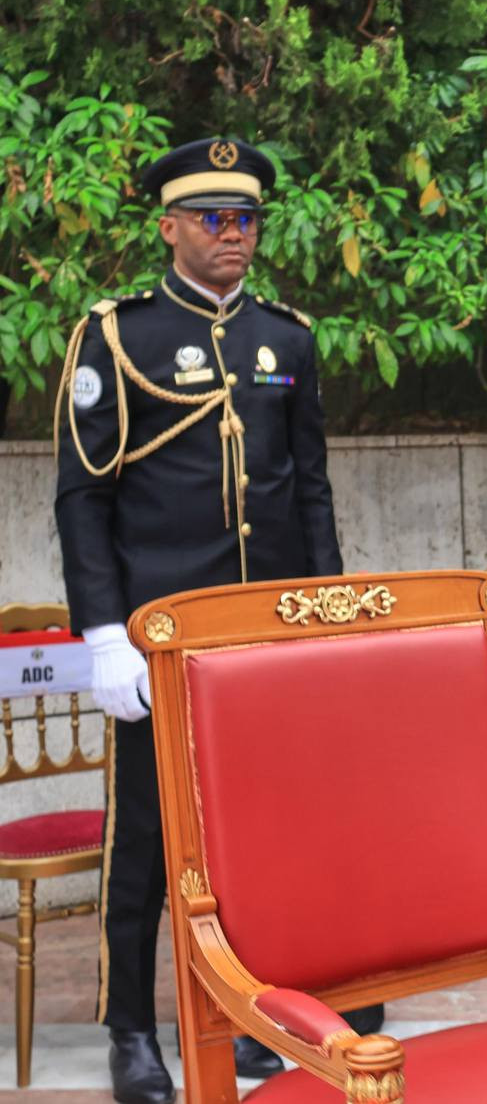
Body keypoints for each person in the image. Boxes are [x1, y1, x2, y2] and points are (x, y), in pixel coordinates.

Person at [53, 138, 339, 1102]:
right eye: (213, 218)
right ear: (168, 226)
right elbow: (82, 498)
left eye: (247, 218)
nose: (233, 235)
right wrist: (103, 633)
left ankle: (255, 1013)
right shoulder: (117, 335)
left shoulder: (287, 338)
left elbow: (310, 494)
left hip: (265, 639)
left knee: (264, 840)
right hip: (160, 642)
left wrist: (323, 619)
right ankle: (134, 1030)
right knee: (145, 842)